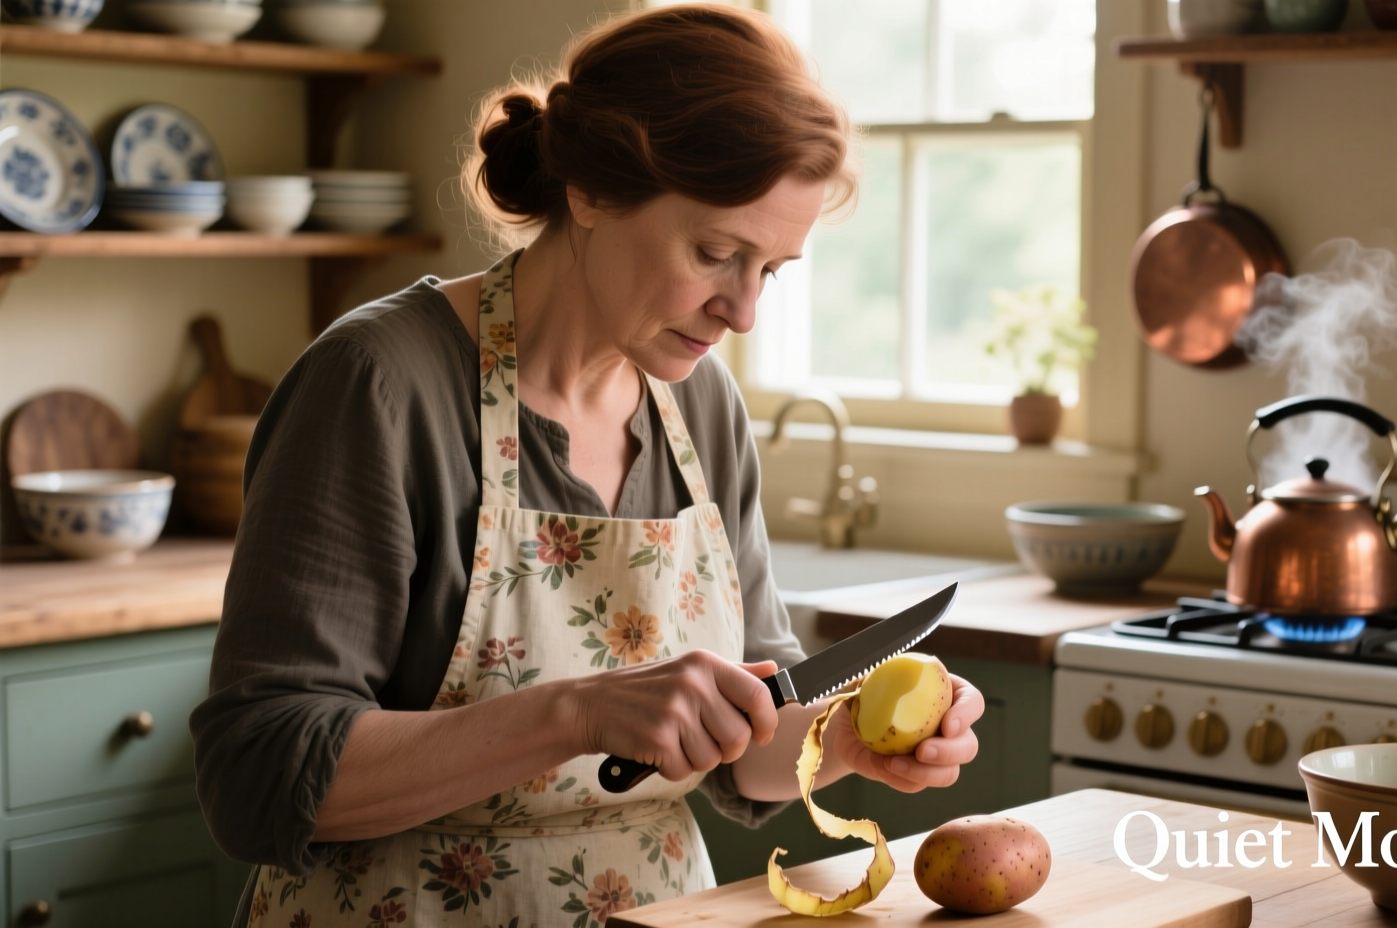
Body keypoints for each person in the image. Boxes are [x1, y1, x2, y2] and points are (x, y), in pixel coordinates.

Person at [190, 5, 984, 926]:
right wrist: (574, 715)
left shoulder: (702, 404)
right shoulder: (378, 382)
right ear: (593, 192)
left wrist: (846, 739)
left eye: (771, 269)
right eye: (717, 253)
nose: (743, 311)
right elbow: (258, 776)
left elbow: (748, 740)